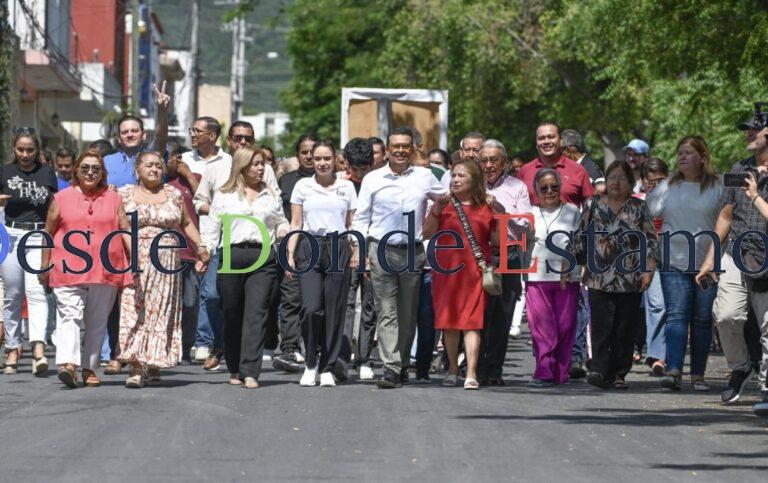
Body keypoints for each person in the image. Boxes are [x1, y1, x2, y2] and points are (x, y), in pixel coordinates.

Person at [352, 126, 447, 388]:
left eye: (406, 146)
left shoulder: (426, 176)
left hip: (412, 252)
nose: (401, 150)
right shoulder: (373, 178)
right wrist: (360, 252)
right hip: (380, 248)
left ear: (413, 148)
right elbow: (361, 218)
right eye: (396, 146)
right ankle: (391, 367)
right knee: (386, 310)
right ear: (387, 149)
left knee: (407, 313)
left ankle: (403, 362)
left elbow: (447, 197)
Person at [40, 151, 132, 388]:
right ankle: (68, 364)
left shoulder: (114, 198)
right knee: (69, 315)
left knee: (97, 320)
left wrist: (136, 264)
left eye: (95, 169)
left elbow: (124, 231)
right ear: (76, 171)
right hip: (67, 268)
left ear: (103, 173)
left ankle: (89, 367)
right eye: (85, 168)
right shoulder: (61, 198)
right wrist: (43, 266)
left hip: (106, 269)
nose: (90, 172)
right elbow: (48, 234)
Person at [117, 151, 209, 388]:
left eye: (158, 165)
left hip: (167, 261)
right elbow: (120, 225)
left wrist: (200, 246)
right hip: (135, 259)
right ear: (137, 169)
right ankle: (137, 366)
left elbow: (187, 223)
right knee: (135, 309)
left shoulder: (174, 194)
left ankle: (155, 359)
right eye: (148, 165)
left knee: (161, 311)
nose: (154, 169)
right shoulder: (124, 194)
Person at [192, 120, 280, 370]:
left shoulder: (265, 169)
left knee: (254, 307)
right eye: (238, 138)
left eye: (248, 139)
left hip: (260, 249)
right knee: (216, 298)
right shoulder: (216, 167)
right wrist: (226, 212)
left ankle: (244, 360)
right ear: (229, 141)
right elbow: (200, 202)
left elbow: (274, 205)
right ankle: (222, 345)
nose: (243, 142)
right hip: (224, 245)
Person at [201, 146, 288, 389]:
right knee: (232, 312)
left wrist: (283, 231)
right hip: (232, 254)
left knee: (257, 312)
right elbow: (212, 228)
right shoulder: (225, 194)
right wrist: (205, 251)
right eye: (256, 164)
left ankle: (251, 370)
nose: (261, 168)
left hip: (264, 257)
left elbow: (282, 221)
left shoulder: (270, 194)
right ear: (242, 167)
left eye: (262, 163)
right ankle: (235, 366)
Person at [697, 116, 768, 405]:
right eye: (746, 130)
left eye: (754, 129)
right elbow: (725, 216)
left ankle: (767, 387)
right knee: (726, 315)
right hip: (737, 255)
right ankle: (740, 368)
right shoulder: (740, 170)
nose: (748, 134)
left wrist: (754, 197)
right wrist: (710, 258)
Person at [101, 82, 170, 375]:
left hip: (147, 239)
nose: (129, 134)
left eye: (134, 131)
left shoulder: (151, 158)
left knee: (144, 297)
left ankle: (143, 353)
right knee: (116, 296)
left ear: (143, 135)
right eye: (124, 131)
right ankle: (116, 352)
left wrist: (162, 111)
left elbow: (161, 135)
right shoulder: (106, 162)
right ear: (119, 138)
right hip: (113, 237)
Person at [573, 161, 658, 390]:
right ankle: (599, 370)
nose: (616, 182)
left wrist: (648, 269)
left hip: (629, 277)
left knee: (624, 328)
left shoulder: (638, 207)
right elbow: (580, 235)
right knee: (601, 326)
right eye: (612, 177)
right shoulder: (594, 205)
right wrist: (577, 264)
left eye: (622, 178)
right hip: (598, 275)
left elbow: (650, 240)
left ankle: (619, 373)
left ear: (631, 183)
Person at [647, 137, 721, 391]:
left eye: (689, 153)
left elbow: (727, 222)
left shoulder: (717, 186)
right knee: (677, 315)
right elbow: (647, 213)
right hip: (673, 261)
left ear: (703, 157)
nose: (682, 157)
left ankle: (698, 375)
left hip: (708, 263)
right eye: (680, 153)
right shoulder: (668, 186)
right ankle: (674, 370)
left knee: (701, 320)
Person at [423, 160, 501, 390]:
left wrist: (501, 216)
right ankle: (452, 370)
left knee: (472, 323)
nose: (455, 180)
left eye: (461, 176)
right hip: (446, 272)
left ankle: (472, 372)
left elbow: (497, 242)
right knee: (449, 323)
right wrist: (436, 212)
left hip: (474, 272)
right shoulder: (444, 204)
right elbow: (426, 232)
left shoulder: (488, 206)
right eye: (454, 176)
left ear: (474, 180)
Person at [286, 140, 358, 387]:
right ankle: (310, 362)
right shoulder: (302, 186)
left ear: (335, 160)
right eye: (317, 159)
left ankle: (327, 366)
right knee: (310, 307)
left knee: (335, 310)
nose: (322, 163)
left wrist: (357, 251)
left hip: (338, 246)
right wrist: (290, 254)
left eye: (327, 158)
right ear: (311, 161)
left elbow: (351, 224)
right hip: (310, 245)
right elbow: (296, 223)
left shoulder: (346, 187)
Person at [0, 128, 58, 375]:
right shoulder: (5, 171)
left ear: (37, 150)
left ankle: (38, 348)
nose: (25, 154)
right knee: (12, 293)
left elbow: (54, 207)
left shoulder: (46, 172)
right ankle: (13, 348)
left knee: (36, 291)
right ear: (14, 149)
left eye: (30, 150)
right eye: (20, 149)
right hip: (10, 234)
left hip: (37, 234)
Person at [478, 139, 531, 385]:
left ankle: (495, 369)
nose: (488, 165)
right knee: (479, 314)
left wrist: (502, 212)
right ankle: (475, 367)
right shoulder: (472, 186)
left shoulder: (517, 187)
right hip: (479, 255)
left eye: (494, 160)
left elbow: (526, 225)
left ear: (505, 162)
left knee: (503, 314)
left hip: (508, 253)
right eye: (484, 160)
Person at [524, 169, 581, 386]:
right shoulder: (528, 212)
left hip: (566, 276)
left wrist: (571, 267)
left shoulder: (572, 211)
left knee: (565, 326)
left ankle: (560, 372)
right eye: (544, 188)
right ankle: (544, 370)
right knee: (541, 326)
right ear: (537, 190)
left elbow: (579, 242)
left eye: (554, 187)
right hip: (536, 275)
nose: (549, 191)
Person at [271, 134, 318, 373]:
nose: (309, 157)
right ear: (297, 155)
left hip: (320, 249)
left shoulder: (329, 181)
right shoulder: (286, 181)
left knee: (316, 303)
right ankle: (289, 348)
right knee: (290, 299)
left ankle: (315, 347)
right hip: (291, 248)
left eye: (313, 151)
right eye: (304, 152)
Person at [339, 138, 377, 380]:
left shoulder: (377, 183)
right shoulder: (340, 185)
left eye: (365, 169)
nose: (360, 174)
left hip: (374, 248)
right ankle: (342, 356)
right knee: (346, 303)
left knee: (370, 305)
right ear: (346, 165)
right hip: (344, 248)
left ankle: (364, 358)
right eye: (356, 169)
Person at [631, 158, 669, 369]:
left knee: (670, 307)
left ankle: (666, 354)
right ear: (644, 181)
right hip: (645, 257)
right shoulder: (637, 201)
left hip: (673, 255)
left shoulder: (674, 198)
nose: (655, 185)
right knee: (656, 305)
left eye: (661, 180)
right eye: (651, 181)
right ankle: (656, 355)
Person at [167, 147, 202, 364]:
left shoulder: (195, 178)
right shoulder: (160, 183)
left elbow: (208, 203)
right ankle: (168, 346)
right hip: (165, 254)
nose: (169, 163)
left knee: (190, 303)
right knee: (168, 304)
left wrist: (188, 174)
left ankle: (186, 347)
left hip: (191, 252)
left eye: (171, 158)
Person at [516, 121, 595, 206]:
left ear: (561, 141)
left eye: (551, 137)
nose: (546, 141)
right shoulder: (524, 172)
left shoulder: (578, 170)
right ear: (536, 143)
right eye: (541, 138)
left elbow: (590, 208)